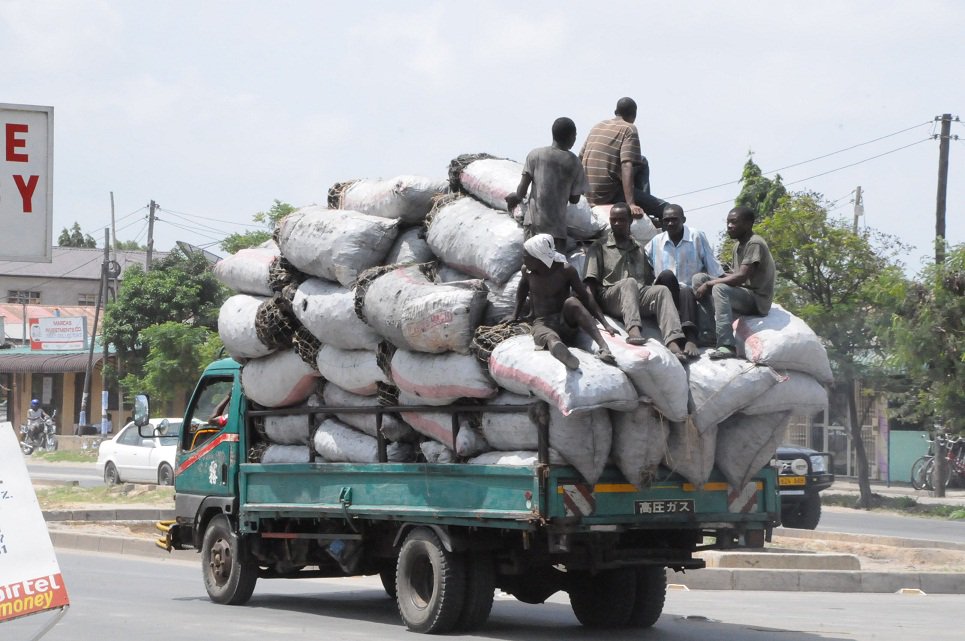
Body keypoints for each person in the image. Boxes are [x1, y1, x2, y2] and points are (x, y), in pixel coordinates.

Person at [583, 203, 695, 360]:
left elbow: (648, 282)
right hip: (611, 297)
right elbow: (590, 284)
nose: (616, 224)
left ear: (630, 220)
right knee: (629, 283)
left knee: (662, 291)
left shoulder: (639, 248)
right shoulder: (599, 247)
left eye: (621, 220)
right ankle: (633, 329)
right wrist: (596, 316)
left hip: (637, 294)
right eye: (613, 220)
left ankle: (673, 341)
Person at [512, 234, 616, 369]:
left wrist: (606, 324)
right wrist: (514, 315)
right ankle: (561, 351)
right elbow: (522, 289)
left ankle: (604, 348)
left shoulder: (565, 270)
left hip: (564, 320)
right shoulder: (527, 271)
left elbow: (585, 296)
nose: (523, 259)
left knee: (572, 301)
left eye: (526, 255)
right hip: (542, 323)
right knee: (549, 337)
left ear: (538, 256)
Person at [694, 206, 776, 359]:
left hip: (756, 299)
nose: (729, 226)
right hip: (743, 292)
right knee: (699, 279)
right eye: (728, 222)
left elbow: (741, 278)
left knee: (719, 288)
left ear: (748, 224)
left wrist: (711, 283)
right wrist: (711, 277)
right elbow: (736, 274)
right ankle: (708, 334)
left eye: (734, 222)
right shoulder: (737, 246)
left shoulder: (754, 243)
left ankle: (726, 345)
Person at [578, 97, 667, 225]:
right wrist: (631, 204)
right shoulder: (629, 129)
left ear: (616, 111)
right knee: (665, 209)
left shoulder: (598, 126)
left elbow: (579, 158)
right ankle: (645, 209)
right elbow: (626, 165)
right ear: (634, 115)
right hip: (608, 193)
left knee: (641, 161)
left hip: (587, 193)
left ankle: (640, 199)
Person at [506, 117, 589, 252]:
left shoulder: (535, 154)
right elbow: (575, 199)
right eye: (575, 136)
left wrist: (515, 196)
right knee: (554, 269)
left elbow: (521, 191)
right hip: (557, 230)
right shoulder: (574, 162)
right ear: (571, 137)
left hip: (534, 225)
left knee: (532, 267)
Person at [647, 204, 724, 346]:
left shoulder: (696, 237)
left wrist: (726, 281)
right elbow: (646, 266)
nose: (670, 223)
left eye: (674, 219)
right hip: (666, 294)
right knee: (667, 275)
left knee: (686, 290)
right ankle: (676, 336)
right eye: (666, 220)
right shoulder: (656, 241)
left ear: (683, 219)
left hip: (691, 296)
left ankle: (690, 338)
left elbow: (714, 269)